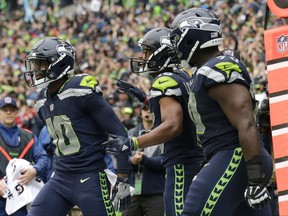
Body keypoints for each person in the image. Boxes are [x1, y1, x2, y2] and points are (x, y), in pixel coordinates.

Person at [169, 8, 273, 215]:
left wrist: (255, 178)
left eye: (177, 39)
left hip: (234, 156)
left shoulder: (218, 67)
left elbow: (246, 122)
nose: (176, 45)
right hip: (235, 157)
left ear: (192, 37)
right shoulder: (210, 68)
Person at [23, 37, 131, 216]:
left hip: (91, 176)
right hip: (60, 177)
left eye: (40, 63)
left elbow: (119, 133)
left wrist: (123, 178)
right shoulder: (41, 99)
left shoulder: (80, 89)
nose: (35, 69)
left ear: (58, 63)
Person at [104, 27, 204, 216]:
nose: (143, 56)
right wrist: (144, 99)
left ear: (163, 51)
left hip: (181, 162)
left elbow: (173, 124)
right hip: (195, 157)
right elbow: (176, 107)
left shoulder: (164, 81)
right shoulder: (182, 76)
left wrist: (132, 142)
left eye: (147, 51)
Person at [0, 96, 50, 216]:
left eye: (12, 110)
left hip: (23, 199)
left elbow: (44, 159)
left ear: (17, 112)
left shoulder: (28, 136)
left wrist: (35, 170)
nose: (9, 113)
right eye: (5, 110)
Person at [122, 106, 165, 216]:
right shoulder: (131, 133)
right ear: (140, 112)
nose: (149, 111)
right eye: (145, 108)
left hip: (155, 191)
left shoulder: (164, 133)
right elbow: (119, 158)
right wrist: (131, 161)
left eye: (151, 108)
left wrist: (144, 159)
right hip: (130, 189)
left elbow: (165, 160)